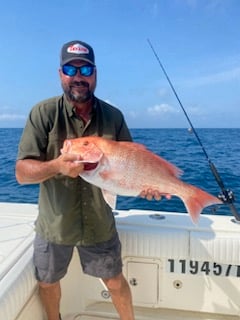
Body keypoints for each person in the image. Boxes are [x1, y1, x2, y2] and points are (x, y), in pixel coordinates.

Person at [15, 40, 161, 320]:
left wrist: (148, 185)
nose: (79, 76)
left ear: (95, 74)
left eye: (86, 69)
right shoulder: (43, 114)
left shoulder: (114, 116)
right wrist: (57, 166)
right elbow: (22, 173)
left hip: (98, 220)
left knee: (115, 281)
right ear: (61, 74)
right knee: (47, 281)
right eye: (71, 69)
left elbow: (131, 162)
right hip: (55, 223)